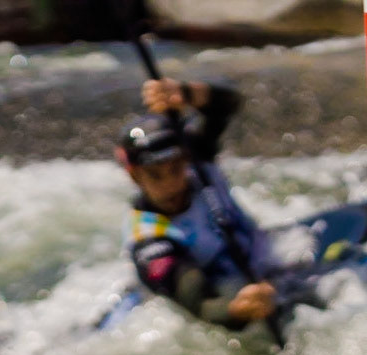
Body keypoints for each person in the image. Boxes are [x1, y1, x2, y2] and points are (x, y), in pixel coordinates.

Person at [117, 79, 324, 331]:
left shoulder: (197, 162)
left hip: (266, 258)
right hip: (228, 293)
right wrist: (238, 310)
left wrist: (184, 94)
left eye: (175, 168)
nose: (171, 183)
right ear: (135, 176)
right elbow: (202, 303)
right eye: (156, 175)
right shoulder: (151, 243)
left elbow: (226, 104)